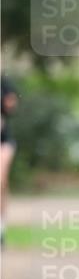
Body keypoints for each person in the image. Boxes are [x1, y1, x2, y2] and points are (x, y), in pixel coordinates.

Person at [1, 74, 19, 246]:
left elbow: (11, 107)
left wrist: (9, 103)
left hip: (3, 142)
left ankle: (1, 228)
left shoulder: (4, 83)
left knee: (1, 181)